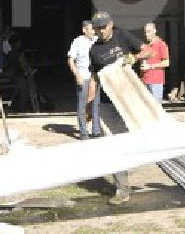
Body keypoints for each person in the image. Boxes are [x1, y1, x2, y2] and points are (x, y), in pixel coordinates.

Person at [88, 11, 150, 205]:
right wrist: (89, 105)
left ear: (111, 25)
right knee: (115, 145)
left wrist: (133, 58)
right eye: (97, 28)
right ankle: (122, 189)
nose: (100, 31)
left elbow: (148, 50)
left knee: (143, 136)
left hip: (130, 99)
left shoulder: (123, 36)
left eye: (103, 27)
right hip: (108, 103)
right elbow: (94, 79)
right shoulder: (94, 50)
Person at [67, 20, 99, 139]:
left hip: (95, 77)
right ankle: (83, 132)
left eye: (94, 29)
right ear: (84, 30)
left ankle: (96, 130)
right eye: (91, 29)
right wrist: (77, 75)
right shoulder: (78, 41)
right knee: (82, 105)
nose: (93, 31)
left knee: (96, 103)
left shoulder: (97, 40)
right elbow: (71, 60)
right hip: (83, 76)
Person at [139, 22, 170, 101]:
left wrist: (150, 66)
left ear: (154, 31)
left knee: (155, 109)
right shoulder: (147, 46)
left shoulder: (161, 44)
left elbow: (166, 62)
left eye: (148, 31)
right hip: (145, 81)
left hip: (156, 82)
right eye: (145, 32)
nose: (146, 34)